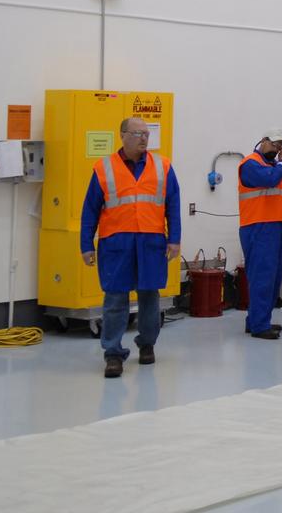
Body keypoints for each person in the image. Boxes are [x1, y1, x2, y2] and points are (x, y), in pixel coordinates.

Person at [81, 117, 181, 379]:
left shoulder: (163, 166)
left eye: (147, 134)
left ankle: (147, 344)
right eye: (138, 134)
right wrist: (85, 245)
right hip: (116, 242)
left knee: (150, 297)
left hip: (150, 241)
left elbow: (173, 206)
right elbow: (90, 210)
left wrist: (175, 239)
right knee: (115, 299)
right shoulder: (104, 168)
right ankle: (113, 354)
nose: (144, 139)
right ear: (123, 135)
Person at [238, 129, 282, 340]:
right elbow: (269, 180)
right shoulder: (250, 164)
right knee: (262, 276)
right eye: (275, 144)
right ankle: (260, 326)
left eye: (280, 146)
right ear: (263, 141)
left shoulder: (273, 168)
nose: (278, 149)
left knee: (273, 277)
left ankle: (259, 320)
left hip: (277, 225)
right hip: (258, 227)